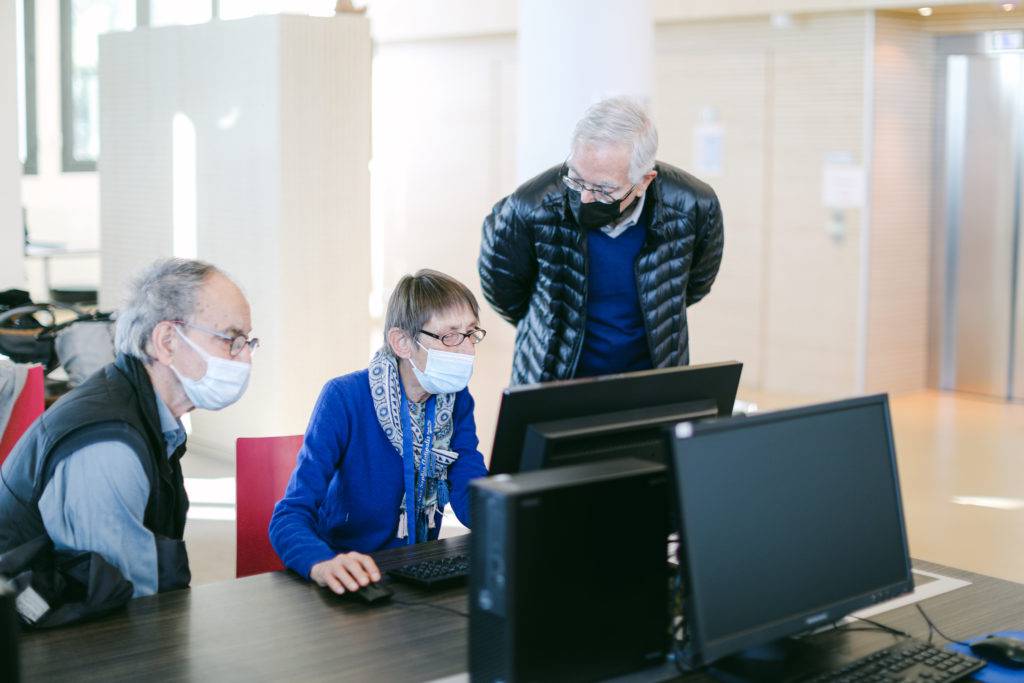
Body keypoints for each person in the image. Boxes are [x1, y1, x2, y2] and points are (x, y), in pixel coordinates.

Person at [0, 258, 257, 599]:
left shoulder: (145, 412)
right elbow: (121, 602)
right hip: (46, 643)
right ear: (167, 341)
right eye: (231, 340)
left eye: (247, 343)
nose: (245, 359)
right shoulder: (108, 447)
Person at [269, 269, 488, 595]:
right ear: (402, 342)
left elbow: (468, 487)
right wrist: (322, 563)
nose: (468, 350)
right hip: (351, 573)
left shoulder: (456, 401)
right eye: (450, 336)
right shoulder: (344, 397)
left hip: (416, 571)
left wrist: (509, 521)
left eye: (471, 333)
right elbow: (290, 514)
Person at [478, 96, 725, 385]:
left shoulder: (693, 206)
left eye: (604, 189)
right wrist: (552, 324)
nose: (584, 197)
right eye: (577, 179)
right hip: (553, 379)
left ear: (644, 180)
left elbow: (694, 284)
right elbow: (503, 289)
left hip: (651, 379)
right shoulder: (531, 205)